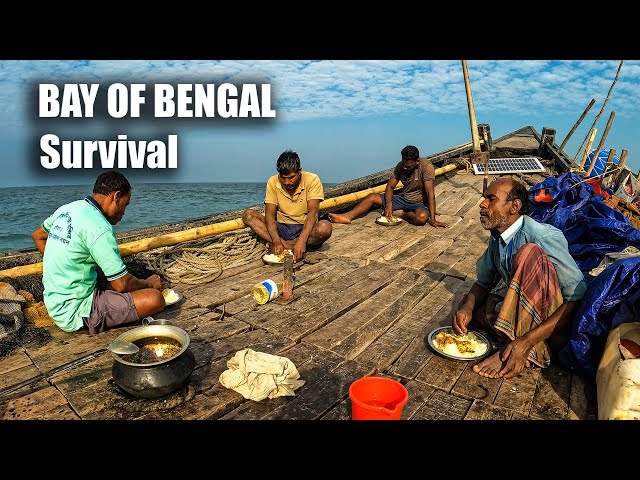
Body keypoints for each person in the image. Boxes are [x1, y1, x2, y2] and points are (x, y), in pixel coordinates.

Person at [452, 177, 587, 379]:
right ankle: (511, 335)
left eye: (491, 199)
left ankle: (520, 347)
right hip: (522, 307)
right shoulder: (497, 238)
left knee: (528, 254)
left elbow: (576, 298)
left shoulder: (542, 236)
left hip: (549, 319)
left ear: (514, 206)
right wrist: (467, 308)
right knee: (466, 302)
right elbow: (483, 283)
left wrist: (526, 341)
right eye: (484, 199)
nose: (482, 204)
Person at [32, 171, 166, 335]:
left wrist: (62, 265)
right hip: (76, 312)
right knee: (155, 299)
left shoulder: (68, 209)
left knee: (113, 274)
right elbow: (121, 284)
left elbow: (38, 236)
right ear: (116, 197)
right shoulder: (99, 228)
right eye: (126, 204)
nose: (124, 212)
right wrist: (149, 284)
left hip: (54, 301)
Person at [242, 149, 332, 262]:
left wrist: (302, 241)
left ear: (299, 171)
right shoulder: (273, 181)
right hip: (281, 228)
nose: (287, 182)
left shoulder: (312, 180)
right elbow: (269, 215)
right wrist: (276, 240)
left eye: (291, 177)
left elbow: (312, 214)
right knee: (248, 215)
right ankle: (285, 246)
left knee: (325, 228)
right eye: (283, 178)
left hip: (304, 228)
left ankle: (287, 246)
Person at [328, 145, 449, 227]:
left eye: (409, 166)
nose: (406, 168)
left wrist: (432, 219)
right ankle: (348, 216)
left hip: (419, 203)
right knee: (372, 197)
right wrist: (389, 205)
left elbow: (430, 194)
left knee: (422, 218)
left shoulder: (426, 167)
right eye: (404, 165)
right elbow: (390, 187)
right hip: (403, 199)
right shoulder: (400, 166)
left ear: (417, 162)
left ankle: (401, 213)